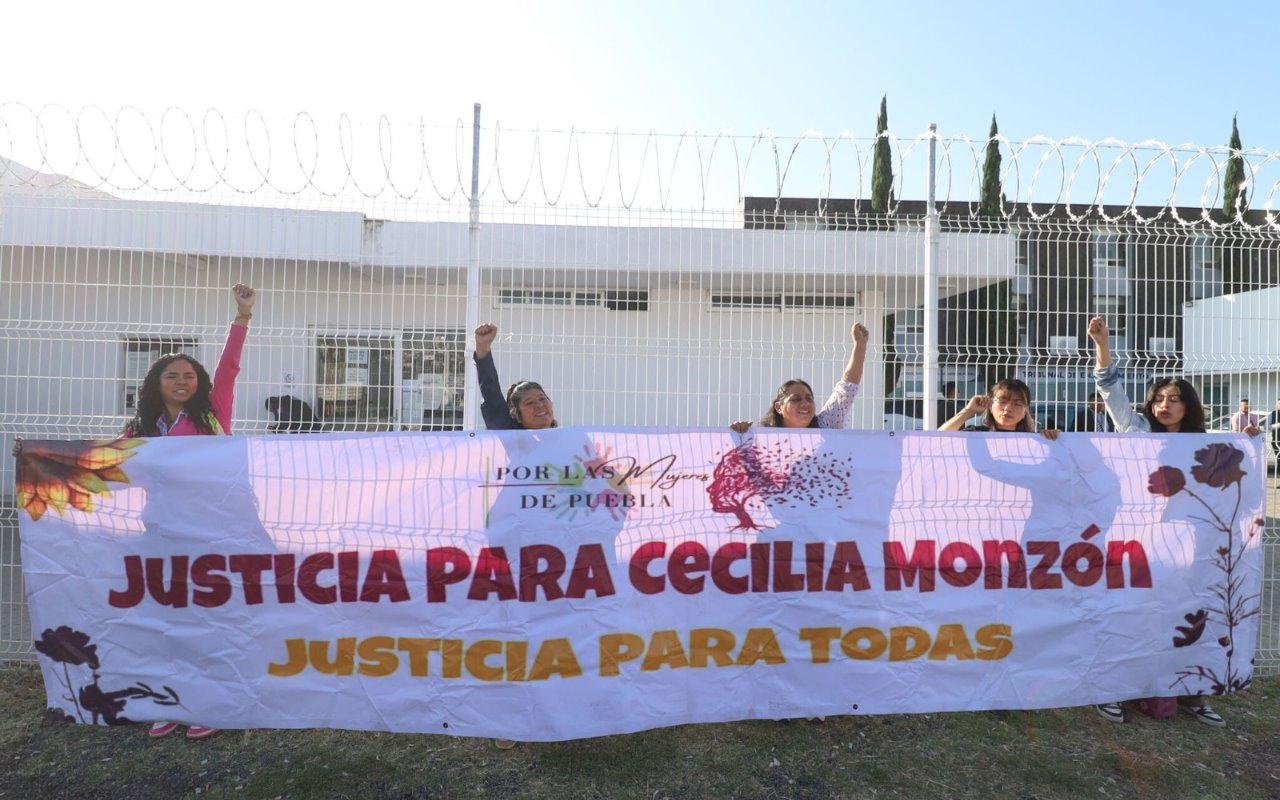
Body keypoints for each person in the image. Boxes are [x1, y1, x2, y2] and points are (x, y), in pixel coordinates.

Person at [1087, 315, 1259, 728]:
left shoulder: (1209, 445)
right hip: (1144, 543)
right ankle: (1112, 690)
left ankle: (1195, 693)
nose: (1164, 405)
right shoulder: (1138, 431)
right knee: (1134, 613)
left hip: (1196, 547)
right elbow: (1110, 391)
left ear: (1189, 405)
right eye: (1159, 398)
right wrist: (1103, 345)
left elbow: (1236, 489)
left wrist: (1249, 443)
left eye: (1173, 399)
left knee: (1196, 614)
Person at [120, 283, 255, 740]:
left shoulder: (213, 414)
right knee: (167, 617)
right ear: (156, 384)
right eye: (172, 376)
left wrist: (242, 317)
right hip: (161, 533)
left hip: (213, 532)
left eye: (189, 375)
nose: (182, 381)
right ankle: (171, 700)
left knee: (209, 617)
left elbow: (229, 367)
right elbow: (113, 468)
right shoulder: (139, 429)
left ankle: (211, 702)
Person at [733, 323, 870, 433]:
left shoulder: (826, 425)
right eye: (796, 399)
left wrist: (860, 345)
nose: (805, 404)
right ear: (778, 407)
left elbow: (847, 389)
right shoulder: (763, 438)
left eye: (809, 399)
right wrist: (737, 434)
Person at [473, 323, 555, 431]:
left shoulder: (572, 439)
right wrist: (483, 347)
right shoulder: (509, 436)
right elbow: (490, 392)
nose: (539, 405)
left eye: (542, 398)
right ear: (517, 416)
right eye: (529, 403)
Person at [940, 378, 1047, 435]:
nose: (1008, 408)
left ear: (1025, 411)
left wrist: (1055, 438)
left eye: (1017, 404)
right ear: (991, 405)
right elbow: (937, 439)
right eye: (1002, 401)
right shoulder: (976, 434)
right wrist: (969, 410)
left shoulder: (1036, 440)